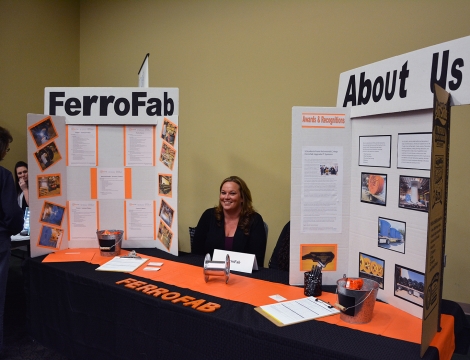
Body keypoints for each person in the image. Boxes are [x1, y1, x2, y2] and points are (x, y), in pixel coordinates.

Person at [192, 176, 267, 266]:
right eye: (223, 193)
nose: (226, 197)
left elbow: (257, 259)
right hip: (211, 272)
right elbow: (196, 251)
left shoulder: (255, 220)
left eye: (232, 193)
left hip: (243, 275)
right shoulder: (209, 215)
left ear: (242, 198)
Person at [0, 127, 24, 357]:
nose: (7, 153)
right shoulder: (3, 175)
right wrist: (13, 229)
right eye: (5, 148)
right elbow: (13, 215)